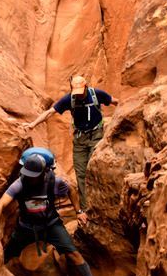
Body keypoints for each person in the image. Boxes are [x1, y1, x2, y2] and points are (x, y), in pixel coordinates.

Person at [0, 153, 113, 276]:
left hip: (51, 225)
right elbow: (1, 203)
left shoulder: (53, 181)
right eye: (28, 174)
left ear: (43, 173)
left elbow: (71, 190)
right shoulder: (20, 183)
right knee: (6, 253)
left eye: (33, 175)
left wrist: (78, 212)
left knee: (73, 254)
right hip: (26, 228)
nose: (30, 178)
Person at [22, 75, 118, 210]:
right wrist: (33, 124)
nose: (78, 95)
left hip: (96, 136)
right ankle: (86, 209)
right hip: (80, 140)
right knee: (81, 175)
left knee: (95, 169)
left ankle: (103, 206)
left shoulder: (96, 94)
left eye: (80, 92)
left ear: (86, 87)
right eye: (75, 92)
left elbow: (116, 102)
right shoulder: (69, 99)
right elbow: (50, 112)